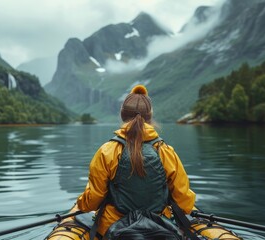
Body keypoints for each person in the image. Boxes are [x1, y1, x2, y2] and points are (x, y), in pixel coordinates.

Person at [76, 85, 196, 238]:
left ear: (122, 115)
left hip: (113, 230)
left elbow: (91, 203)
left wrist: (80, 204)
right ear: (150, 117)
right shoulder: (166, 151)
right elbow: (185, 203)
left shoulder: (107, 151)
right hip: (160, 229)